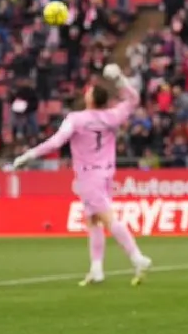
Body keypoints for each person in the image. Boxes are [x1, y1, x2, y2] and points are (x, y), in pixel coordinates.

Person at [12, 64, 152, 286]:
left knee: (106, 218)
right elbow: (134, 100)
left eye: (88, 91)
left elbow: (56, 142)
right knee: (93, 220)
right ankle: (96, 269)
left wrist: (29, 155)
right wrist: (120, 80)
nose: (85, 93)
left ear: (92, 98)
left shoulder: (76, 119)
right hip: (106, 172)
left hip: (88, 175)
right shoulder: (112, 116)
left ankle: (137, 257)